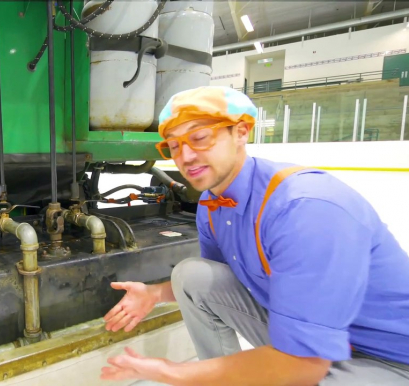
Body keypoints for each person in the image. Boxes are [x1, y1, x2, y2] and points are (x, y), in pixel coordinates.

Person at [99, 86, 409, 385]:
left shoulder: (304, 209)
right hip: (314, 340)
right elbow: (223, 279)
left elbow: (304, 368)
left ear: (241, 133)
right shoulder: (212, 204)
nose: (186, 156)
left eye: (200, 138)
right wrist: (154, 294)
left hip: (387, 359)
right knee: (192, 275)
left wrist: (173, 373)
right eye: (175, 146)